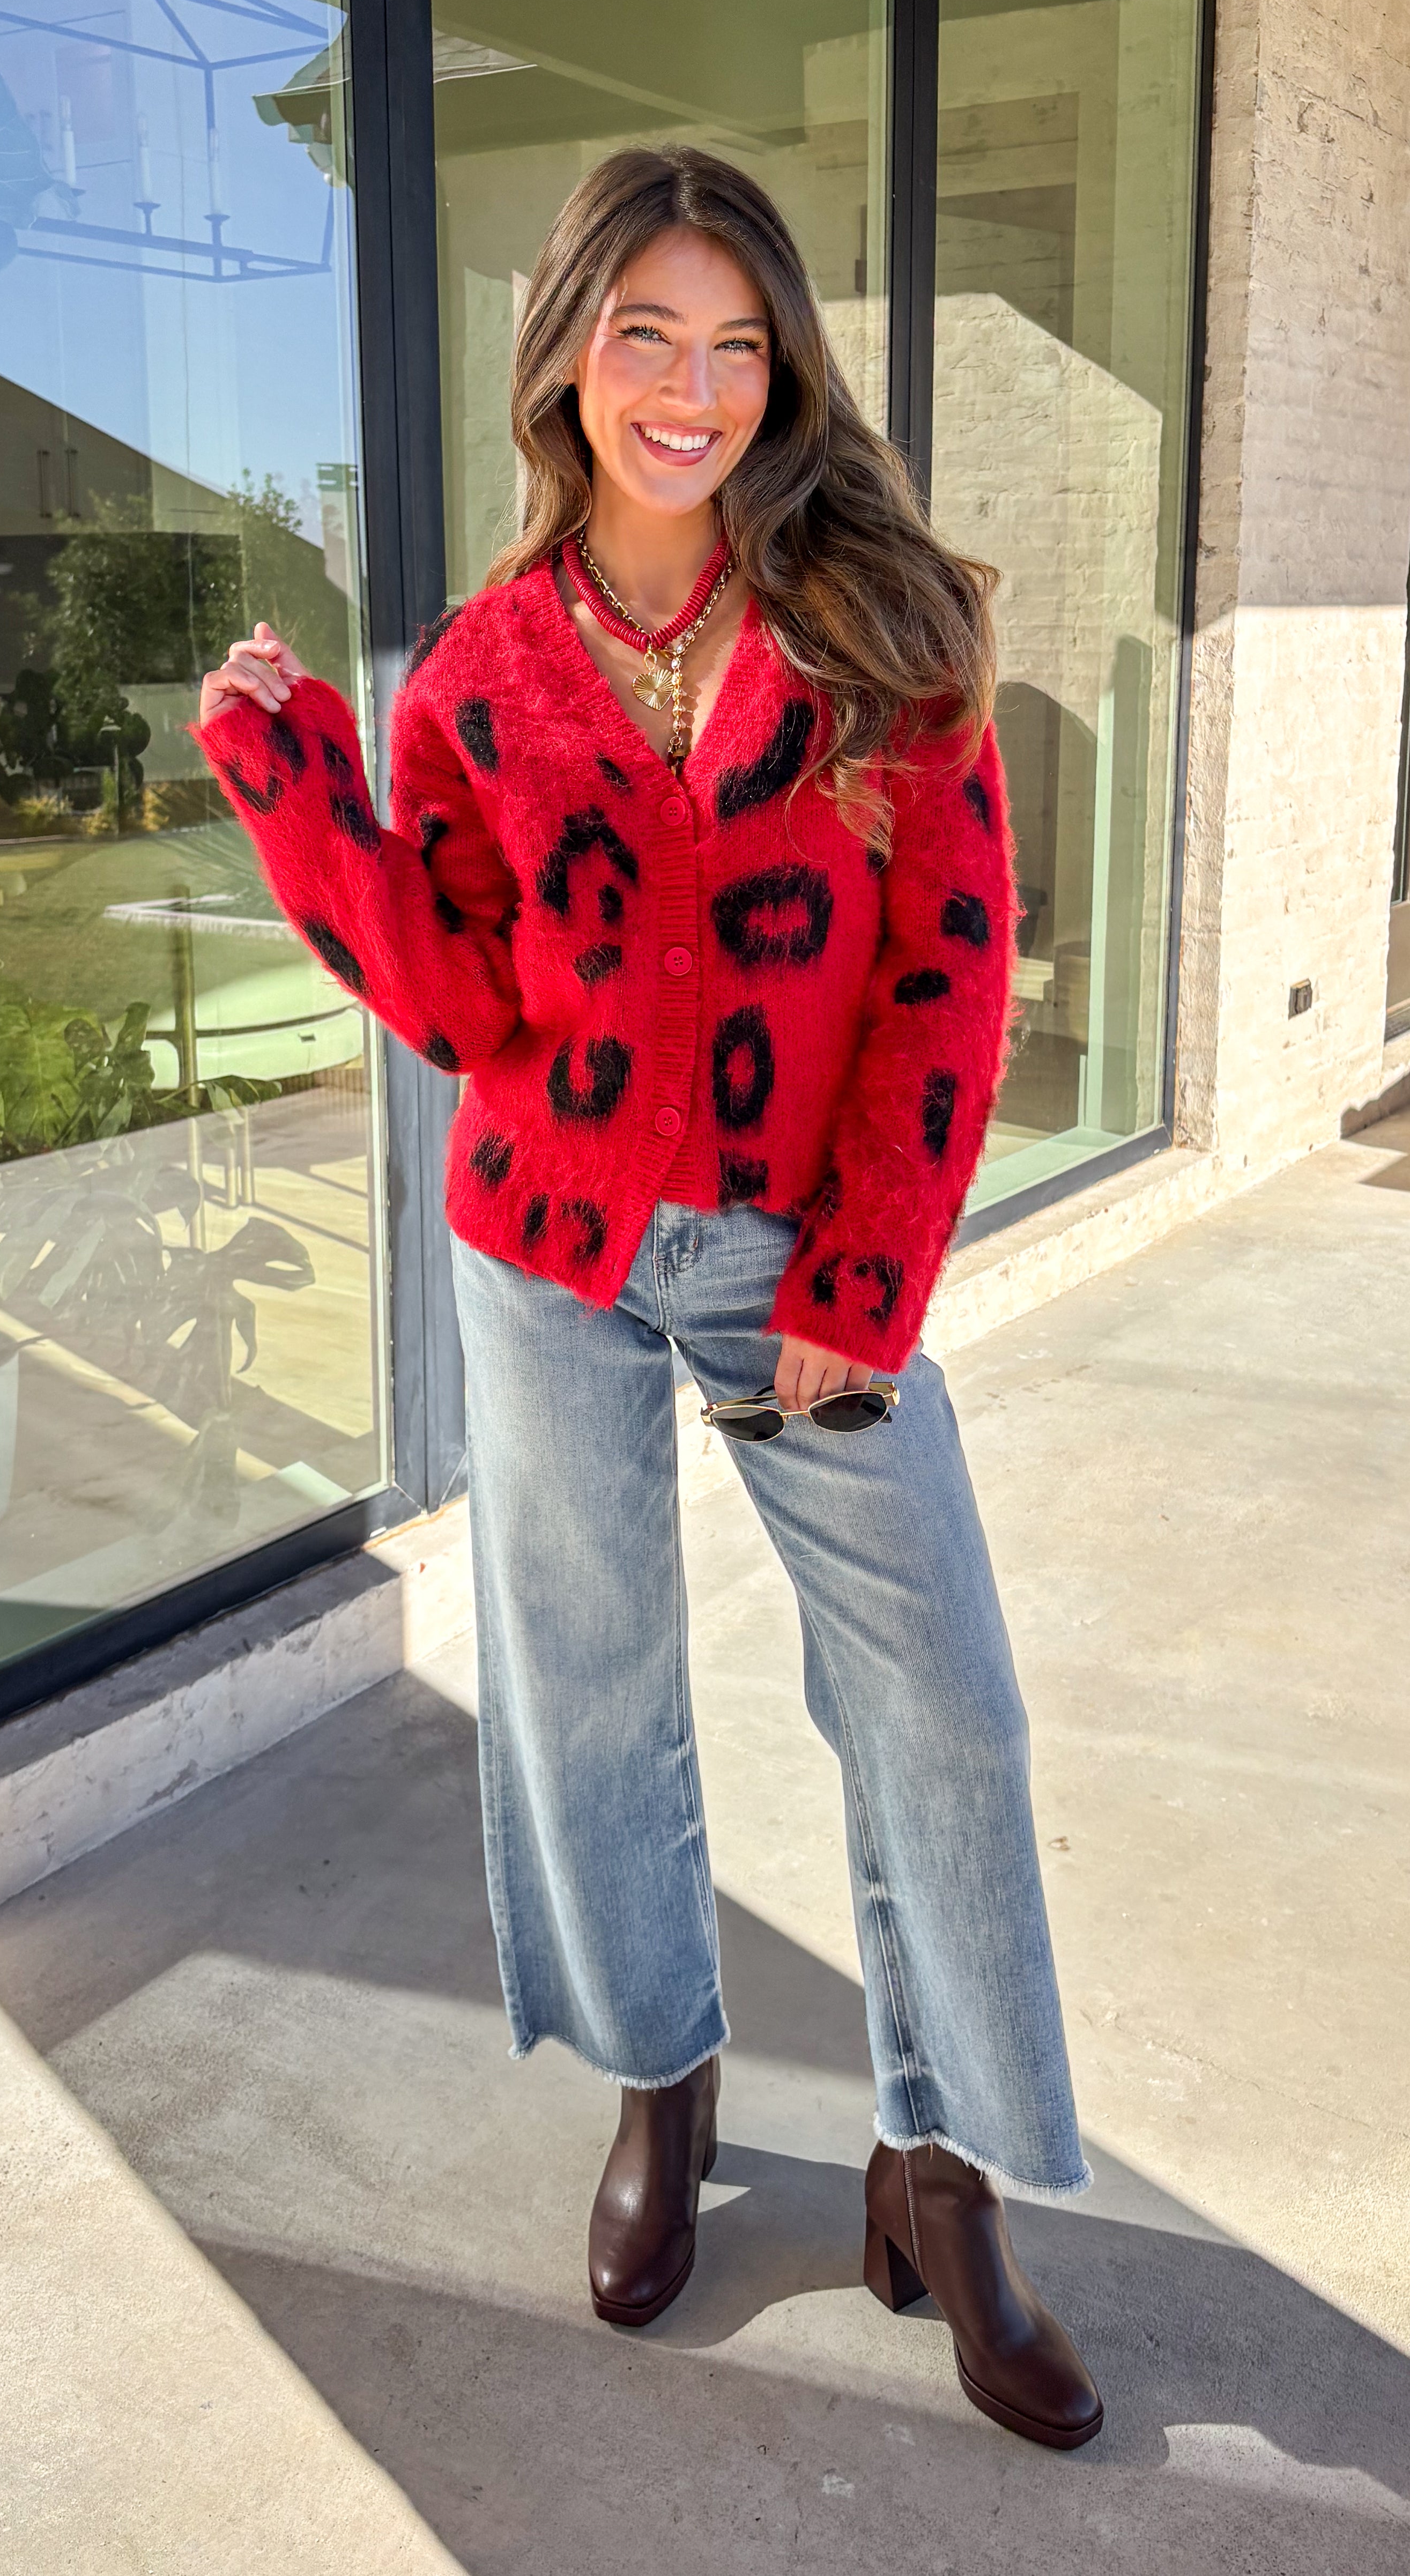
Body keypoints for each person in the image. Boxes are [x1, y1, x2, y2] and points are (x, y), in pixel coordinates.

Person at [196, 145, 1102, 2450]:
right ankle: (659, 2086)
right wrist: (303, 790)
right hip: (552, 1244)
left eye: (733, 344)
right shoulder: (484, 672)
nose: (691, 391)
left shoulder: (877, 621)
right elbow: (451, 990)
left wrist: (865, 1272)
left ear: (777, 364)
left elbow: (947, 964)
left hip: (809, 1256)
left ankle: (941, 2163)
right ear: (570, 357)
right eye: (644, 339)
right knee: (587, 1689)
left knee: (944, 1710)